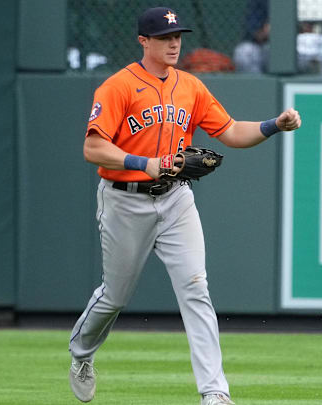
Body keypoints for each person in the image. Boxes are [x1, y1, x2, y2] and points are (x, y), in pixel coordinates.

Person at [67, 7, 301, 405]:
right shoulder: (118, 86)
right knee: (115, 296)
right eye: (164, 37)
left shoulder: (191, 86)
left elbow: (230, 132)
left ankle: (215, 392)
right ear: (144, 41)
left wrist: (272, 125)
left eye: (177, 36)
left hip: (176, 198)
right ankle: (82, 353)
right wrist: (146, 163)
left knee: (197, 289)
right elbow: (93, 147)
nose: (174, 43)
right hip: (125, 201)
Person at [232, 0, 270, 73]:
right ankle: (259, 84)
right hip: (267, 46)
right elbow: (256, 32)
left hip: (296, 46)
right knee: (244, 53)